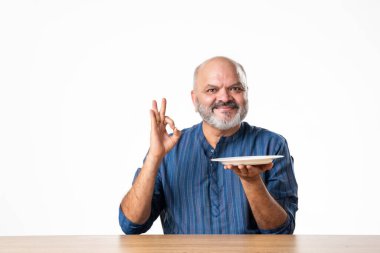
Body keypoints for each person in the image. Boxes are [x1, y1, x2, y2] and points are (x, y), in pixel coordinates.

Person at [119, 56, 298, 234]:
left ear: (246, 94)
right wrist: (154, 158)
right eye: (212, 90)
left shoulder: (272, 145)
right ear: (194, 99)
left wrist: (252, 182)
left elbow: (281, 232)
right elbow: (131, 225)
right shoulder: (169, 149)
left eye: (235, 88)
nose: (225, 97)